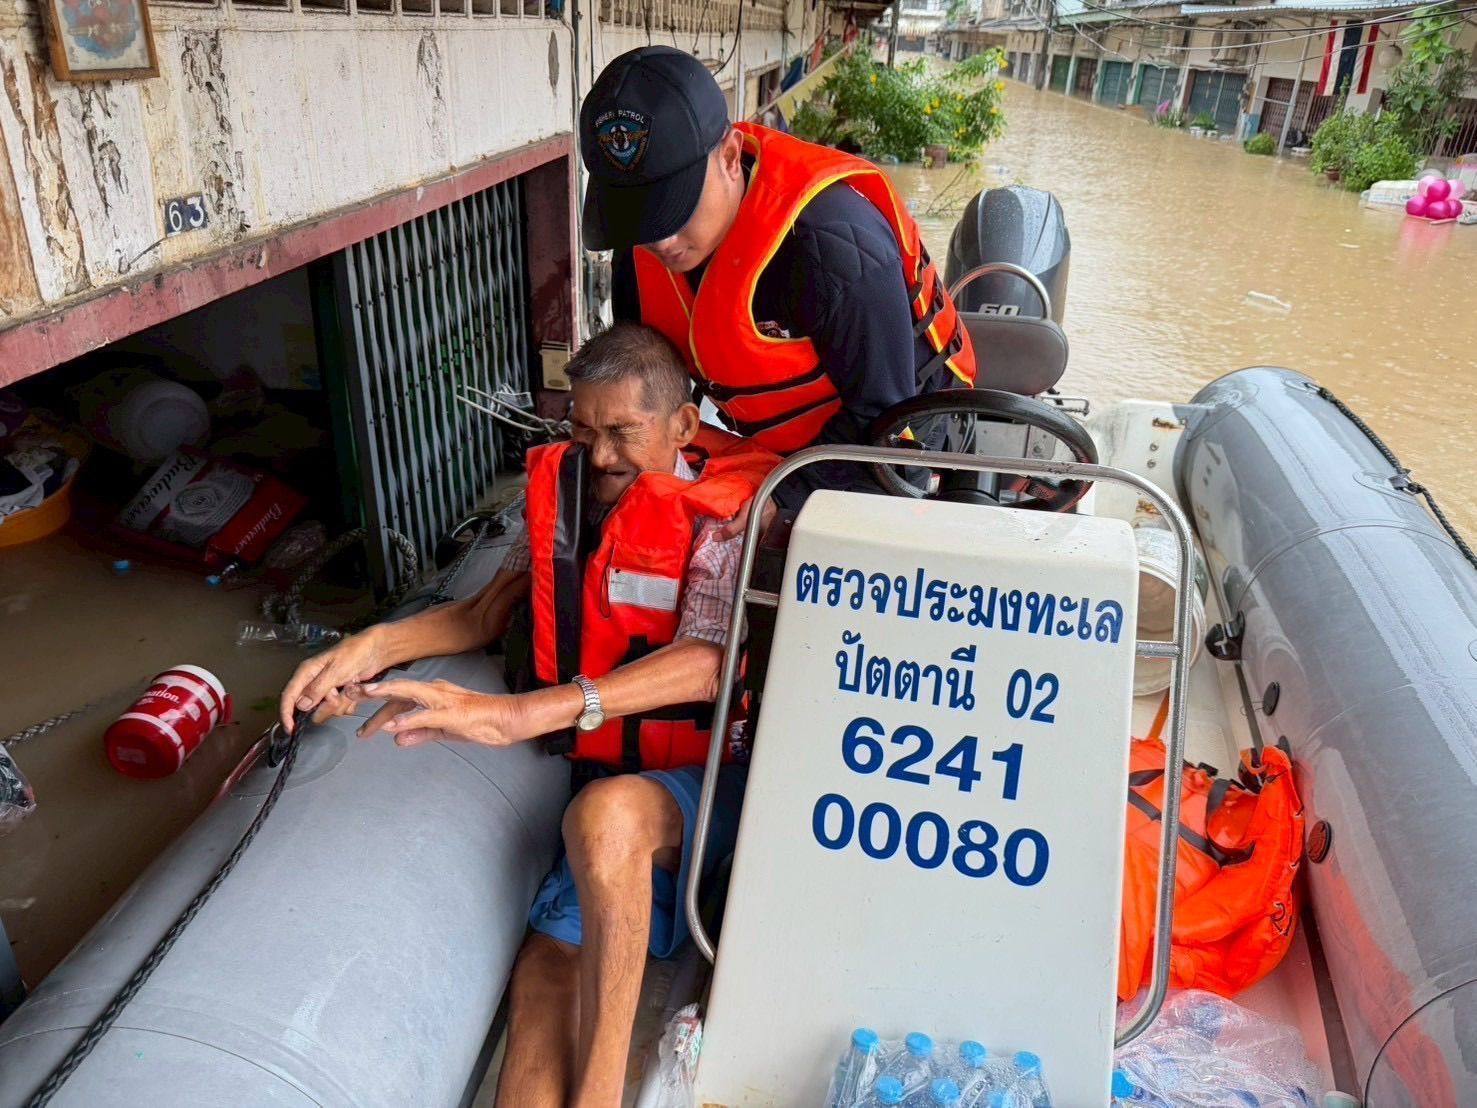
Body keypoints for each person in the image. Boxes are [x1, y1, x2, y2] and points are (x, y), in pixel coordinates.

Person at [278, 323, 777, 1107]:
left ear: (680, 425)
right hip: (613, 767)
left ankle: (601, 1097)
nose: (600, 455)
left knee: (605, 815)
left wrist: (518, 715)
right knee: (544, 971)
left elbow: (708, 659)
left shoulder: (731, 511)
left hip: (717, 778)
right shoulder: (563, 493)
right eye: (583, 430)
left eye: (622, 432)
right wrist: (365, 649)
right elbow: (483, 612)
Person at [580, 45, 978, 509]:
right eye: (640, 220)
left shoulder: (833, 245)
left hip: (899, 435)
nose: (662, 241)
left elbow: (882, 414)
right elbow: (645, 381)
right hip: (771, 442)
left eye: (675, 208)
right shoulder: (643, 247)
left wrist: (782, 498)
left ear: (730, 157)